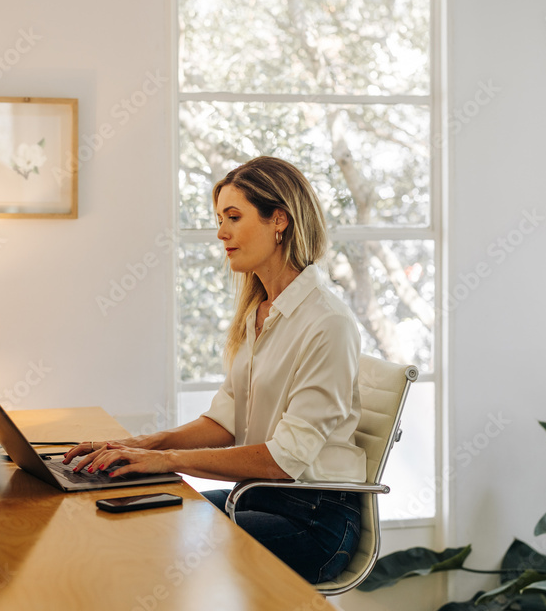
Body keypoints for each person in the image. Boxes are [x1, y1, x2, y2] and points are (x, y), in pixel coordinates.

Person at [63, 156, 365, 584]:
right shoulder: (259, 313)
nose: (221, 232)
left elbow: (285, 459)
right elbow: (224, 422)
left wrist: (162, 459)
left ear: (279, 220)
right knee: (135, 520)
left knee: (162, 549)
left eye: (234, 217)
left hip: (315, 523)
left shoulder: (326, 322)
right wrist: (135, 445)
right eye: (219, 218)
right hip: (259, 497)